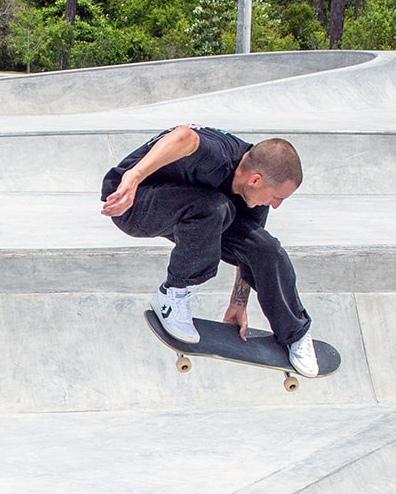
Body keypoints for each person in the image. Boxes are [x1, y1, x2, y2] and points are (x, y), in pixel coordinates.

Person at [100, 126, 317, 376]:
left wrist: (239, 302)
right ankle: (172, 294)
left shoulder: (253, 193)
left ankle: (295, 334)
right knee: (215, 207)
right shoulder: (219, 156)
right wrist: (134, 177)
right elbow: (183, 135)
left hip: (196, 215)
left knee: (265, 248)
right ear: (256, 179)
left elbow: (248, 254)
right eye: (277, 197)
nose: (276, 205)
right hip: (132, 201)